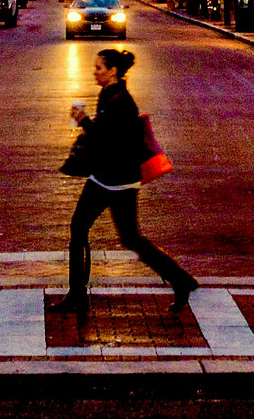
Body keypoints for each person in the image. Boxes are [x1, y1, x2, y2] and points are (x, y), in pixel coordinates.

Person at [49, 48, 198, 316]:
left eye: (99, 68)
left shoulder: (121, 102)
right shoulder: (109, 94)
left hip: (118, 181)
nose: (94, 72)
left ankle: (180, 280)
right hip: (107, 176)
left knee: (129, 238)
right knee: (83, 228)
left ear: (113, 71)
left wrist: (83, 121)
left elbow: (106, 139)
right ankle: (77, 293)